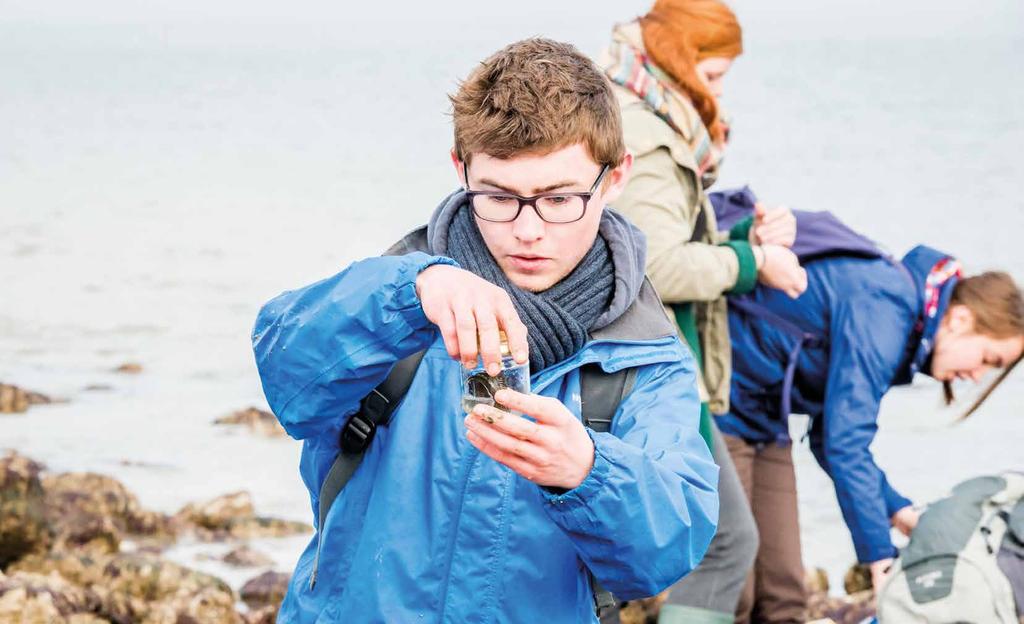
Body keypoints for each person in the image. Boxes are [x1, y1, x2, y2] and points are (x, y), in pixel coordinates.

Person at [252, 38, 720, 623]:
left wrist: (589, 471)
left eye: (560, 198)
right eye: (499, 196)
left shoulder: (646, 357)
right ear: (461, 168)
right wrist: (408, 294)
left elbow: (667, 550)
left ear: (616, 176)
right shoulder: (397, 293)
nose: (529, 230)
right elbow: (285, 377)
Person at [601, 1, 807, 622]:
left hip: (624, 358)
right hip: (649, 361)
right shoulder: (649, 132)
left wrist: (741, 236)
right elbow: (656, 266)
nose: (718, 92)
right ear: (678, 59)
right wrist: (753, 263)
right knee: (725, 543)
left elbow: (643, 240)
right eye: (713, 75)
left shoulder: (622, 106)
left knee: (606, 555)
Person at [721, 240, 1024, 622]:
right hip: (722, 400)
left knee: (783, 595)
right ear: (961, 319)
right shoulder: (887, 309)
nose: (977, 375)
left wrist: (895, 510)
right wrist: (879, 557)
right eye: (987, 359)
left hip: (764, 418)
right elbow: (846, 444)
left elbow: (829, 436)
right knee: (735, 587)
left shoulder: (906, 325)